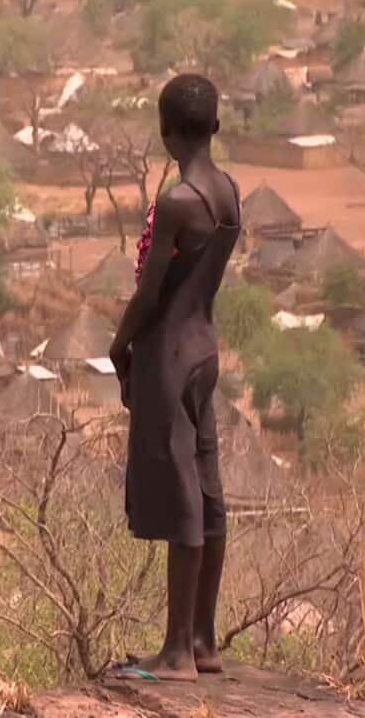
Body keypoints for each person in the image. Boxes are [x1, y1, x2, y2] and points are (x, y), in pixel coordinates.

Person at [109, 74, 242, 683]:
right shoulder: (228, 193)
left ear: (165, 132)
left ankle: (175, 655)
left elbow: (150, 292)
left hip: (167, 355)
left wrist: (119, 346)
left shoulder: (179, 201)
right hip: (205, 351)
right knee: (209, 489)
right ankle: (203, 640)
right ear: (213, 126)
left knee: (185, 495)